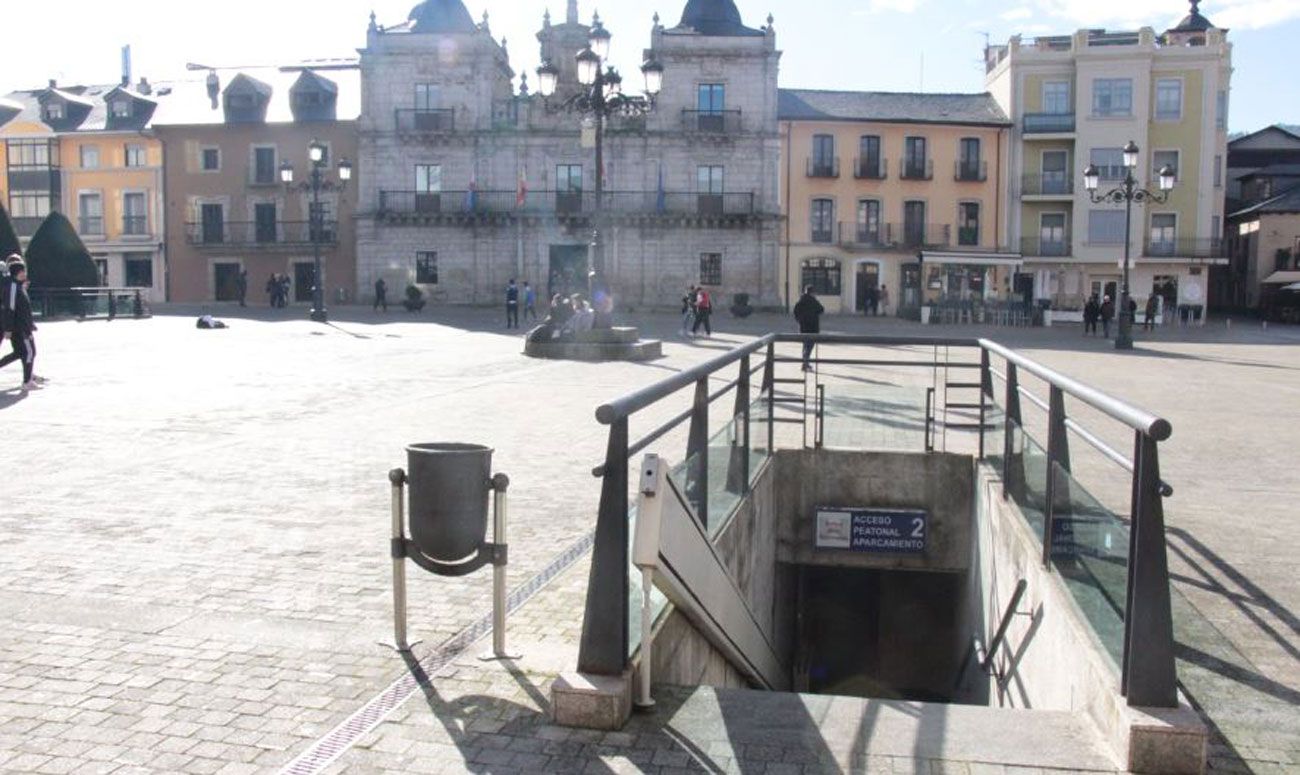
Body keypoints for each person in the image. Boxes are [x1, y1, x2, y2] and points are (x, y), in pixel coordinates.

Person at [0, 260, 38, 391]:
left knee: (19, 353)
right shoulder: (13, 287)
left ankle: (28, 378)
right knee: (29, 352)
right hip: (19, 327)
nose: (25, 273)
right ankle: (27, 382)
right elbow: (10, 309)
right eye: (23, 271)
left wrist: (31, 323)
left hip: (23, 326)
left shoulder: (19, 286)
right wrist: (8, 329)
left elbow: (24, 308)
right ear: (19, 272)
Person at [793, 285, 825, 372]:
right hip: (812, 328)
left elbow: (795, 311)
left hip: (803, 327)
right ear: (812, 293)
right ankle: (805, 363)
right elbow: (821, 309)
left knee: (805, 346)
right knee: (809, 347)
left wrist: (799, 320)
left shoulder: (801, 300)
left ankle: (805, 362)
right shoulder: (813, 301)